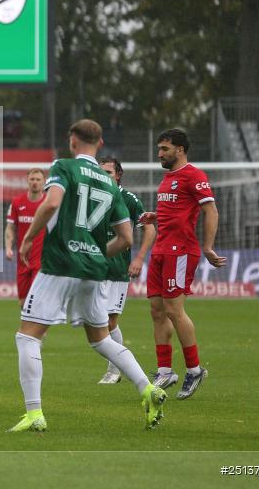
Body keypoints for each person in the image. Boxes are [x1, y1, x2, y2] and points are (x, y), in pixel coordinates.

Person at [9, 119, 166, 433]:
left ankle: (34, 413)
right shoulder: (110, 184)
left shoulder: (64, 166)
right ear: (100, 142)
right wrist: (94, 253)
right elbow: (126, 238)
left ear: (72, 141)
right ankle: (147, 388)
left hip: (59, 264)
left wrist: (28, 238)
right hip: (94, 270)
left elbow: (52, 203)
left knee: (27, 336)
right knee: (101, 339)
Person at [139, 129, 226, 399]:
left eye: (164, 149)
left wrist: (208, 246)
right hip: (160, 249)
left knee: (174, 310)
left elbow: (210, 210)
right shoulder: (168, 178)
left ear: (180, 149)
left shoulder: (194, 175)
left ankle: (194, 369)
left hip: (180, 251)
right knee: (157, 311)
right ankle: (165, 370)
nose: (159, 154)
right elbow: (177, 211)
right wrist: (155, 216)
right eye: (159, 148)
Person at [96, 157, 157, 384]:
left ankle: (114, 370)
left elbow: (150, 230)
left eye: (108, 172)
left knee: (109, 322)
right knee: (95, 322)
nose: (104, 176)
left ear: (118, 175)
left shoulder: (129, 199)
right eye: (100, 172)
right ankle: (115, 367)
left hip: (117, 270)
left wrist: (139, 258)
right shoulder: (93, 196)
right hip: (94, 268)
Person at [5, 168, 46, 309]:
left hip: (42, 259)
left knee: (36, 300)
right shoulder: (17, 202)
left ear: (44, 182)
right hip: (23, 259)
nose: (35, 182)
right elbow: (10, 228)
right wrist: (8, 247)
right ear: (27, 181)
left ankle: (39, 325)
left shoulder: (49, 204)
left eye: (38, 179)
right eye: (32, 179)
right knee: (23, 302)